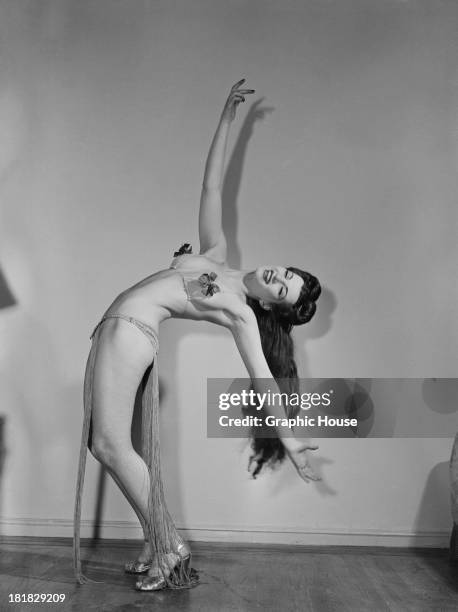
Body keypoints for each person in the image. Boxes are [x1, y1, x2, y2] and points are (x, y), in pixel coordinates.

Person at [73, 79, 322, 592]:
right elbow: (211, 188)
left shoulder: (242, 314)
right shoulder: (217, 256)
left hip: (132, 332)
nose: (275, 276)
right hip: (120, 330)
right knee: (112, 446)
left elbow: (264, 381)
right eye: (284, 271)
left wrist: (293, 445)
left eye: (281, 287)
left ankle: (171, 546)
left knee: (108, 444)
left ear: (273, 306)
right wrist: (227, 120)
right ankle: (154, 542)